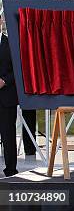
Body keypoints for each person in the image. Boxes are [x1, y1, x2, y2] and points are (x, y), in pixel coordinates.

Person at [0, 16, 18, 177]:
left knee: (8, 136)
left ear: (0, 22)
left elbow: (18, 68)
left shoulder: (11, 43)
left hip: (6, 98)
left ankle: (11, 171)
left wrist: (4, 81)